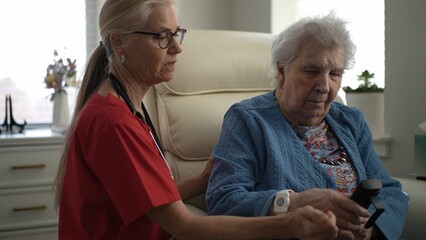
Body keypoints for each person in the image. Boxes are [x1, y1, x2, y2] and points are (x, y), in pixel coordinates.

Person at [53, 0, 341, 239]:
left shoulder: (127, 106)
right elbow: (184, 226)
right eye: (161, 37)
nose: (177, 48)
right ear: (119, 43)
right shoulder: (113, 122)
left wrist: (202, 180)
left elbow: (146, 202)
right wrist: (289, 223)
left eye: (177, 34)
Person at [206, 12, 409, 240]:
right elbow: (223, 200)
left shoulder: (350, 121)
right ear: (282, 72)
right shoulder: (248, 120)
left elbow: (390, 191)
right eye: (312, 71)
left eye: (335, 74)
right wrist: (295, 202)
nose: (324, 86)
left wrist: (370, 227)